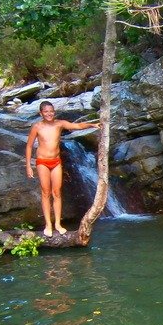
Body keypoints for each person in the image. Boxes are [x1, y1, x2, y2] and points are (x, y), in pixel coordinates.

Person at [25, 101, 100, 237]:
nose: (49, 114)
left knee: (57, 192)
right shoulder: (37, 127)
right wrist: (28, 166)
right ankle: (48, 224)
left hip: (56, 162)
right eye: (46, 112)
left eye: (51, 111)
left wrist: (92, 124)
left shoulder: (59, 124)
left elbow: (76, 126)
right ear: (41, 113)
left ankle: (58, 224)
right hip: (42, 162)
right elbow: (29, 146)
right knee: (45, 192)